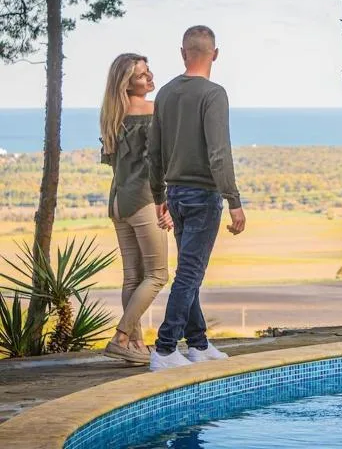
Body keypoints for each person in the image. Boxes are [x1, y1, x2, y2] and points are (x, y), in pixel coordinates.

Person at [148, 25, 246, 372]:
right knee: (190, 272)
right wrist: (234, 200)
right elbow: (219, 153)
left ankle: (198, 344)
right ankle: (164, 348)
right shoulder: (213, 94)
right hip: (203, 195)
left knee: (189, 271)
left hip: (175, 193)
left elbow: (154, 151)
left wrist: (158, 194)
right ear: (215, 54)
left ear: (183, 53)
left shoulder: (165, 93)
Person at [100, 53, 171, 365]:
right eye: (141, 75)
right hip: (143, 199)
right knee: (157, 275)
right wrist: (164, 200)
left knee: (133, 277)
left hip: (118, 200)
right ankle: (121, 337)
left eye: (148, 71)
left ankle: (136, 346)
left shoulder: (112, 115)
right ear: (127, 84)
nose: (149, 77)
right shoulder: (152, 111)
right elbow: (160, 161)